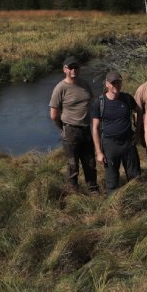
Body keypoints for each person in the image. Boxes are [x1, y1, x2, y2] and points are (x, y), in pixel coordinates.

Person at [49, 56, 98, 193]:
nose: (74, 70)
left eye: (76, 67)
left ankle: (93, 190)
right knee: (72, 165)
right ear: (65, 69)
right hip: (70, 131)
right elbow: (53, 115)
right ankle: (73, 192)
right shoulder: (60, 88)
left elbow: (91, 102)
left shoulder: (84, 84)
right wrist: (63, 128)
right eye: (70, 67)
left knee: (90, 163)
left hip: (86, 130)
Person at [92, 71, 142, 196]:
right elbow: (95, 128)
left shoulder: (127, 98)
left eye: (118, 82)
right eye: (113, 83)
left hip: (128, 143)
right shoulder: (100, 102)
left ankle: (137, 198)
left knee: (135, 176)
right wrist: (99, 152)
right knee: (112, 179)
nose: (116, 85)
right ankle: (114, 203)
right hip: (110, 144)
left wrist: (137, 133)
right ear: (107, 84)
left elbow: (139, 111)